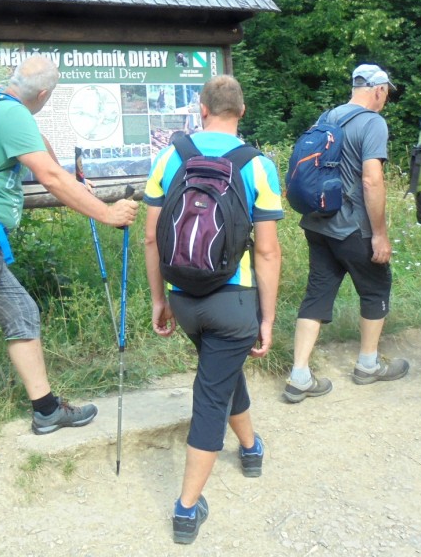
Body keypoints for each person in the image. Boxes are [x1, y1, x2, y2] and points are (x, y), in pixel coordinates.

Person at [0, 55, 138, 471]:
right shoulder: (9, 113)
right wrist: (106, 214)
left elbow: (46, 159)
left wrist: (75, 181)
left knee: (22, 314)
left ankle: (46, 410)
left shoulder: (0, 107)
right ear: (43, 94)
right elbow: (50, 178)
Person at [143, 75, 283, 545]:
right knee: (210, 395)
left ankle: (250, 447)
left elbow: (151, 238)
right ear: (241, 111)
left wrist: (160, 299)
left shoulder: (170, 157)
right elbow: (267, 252)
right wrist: (266, 318)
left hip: (184, 299)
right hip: (233, 301)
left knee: (220, 372)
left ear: (201, 109)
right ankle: (187, 509)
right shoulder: (258, 165)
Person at [283, 64, 409, 403]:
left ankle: (299, 375)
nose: (386, 98)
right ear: (378, 89)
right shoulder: (373, 123)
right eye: (386, 92)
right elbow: (371, 180)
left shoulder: (327, 117)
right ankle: (368, 365)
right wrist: (379, 234)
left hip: (318, 223)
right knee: (376, 287)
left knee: (317, 292)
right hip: (353, 227)